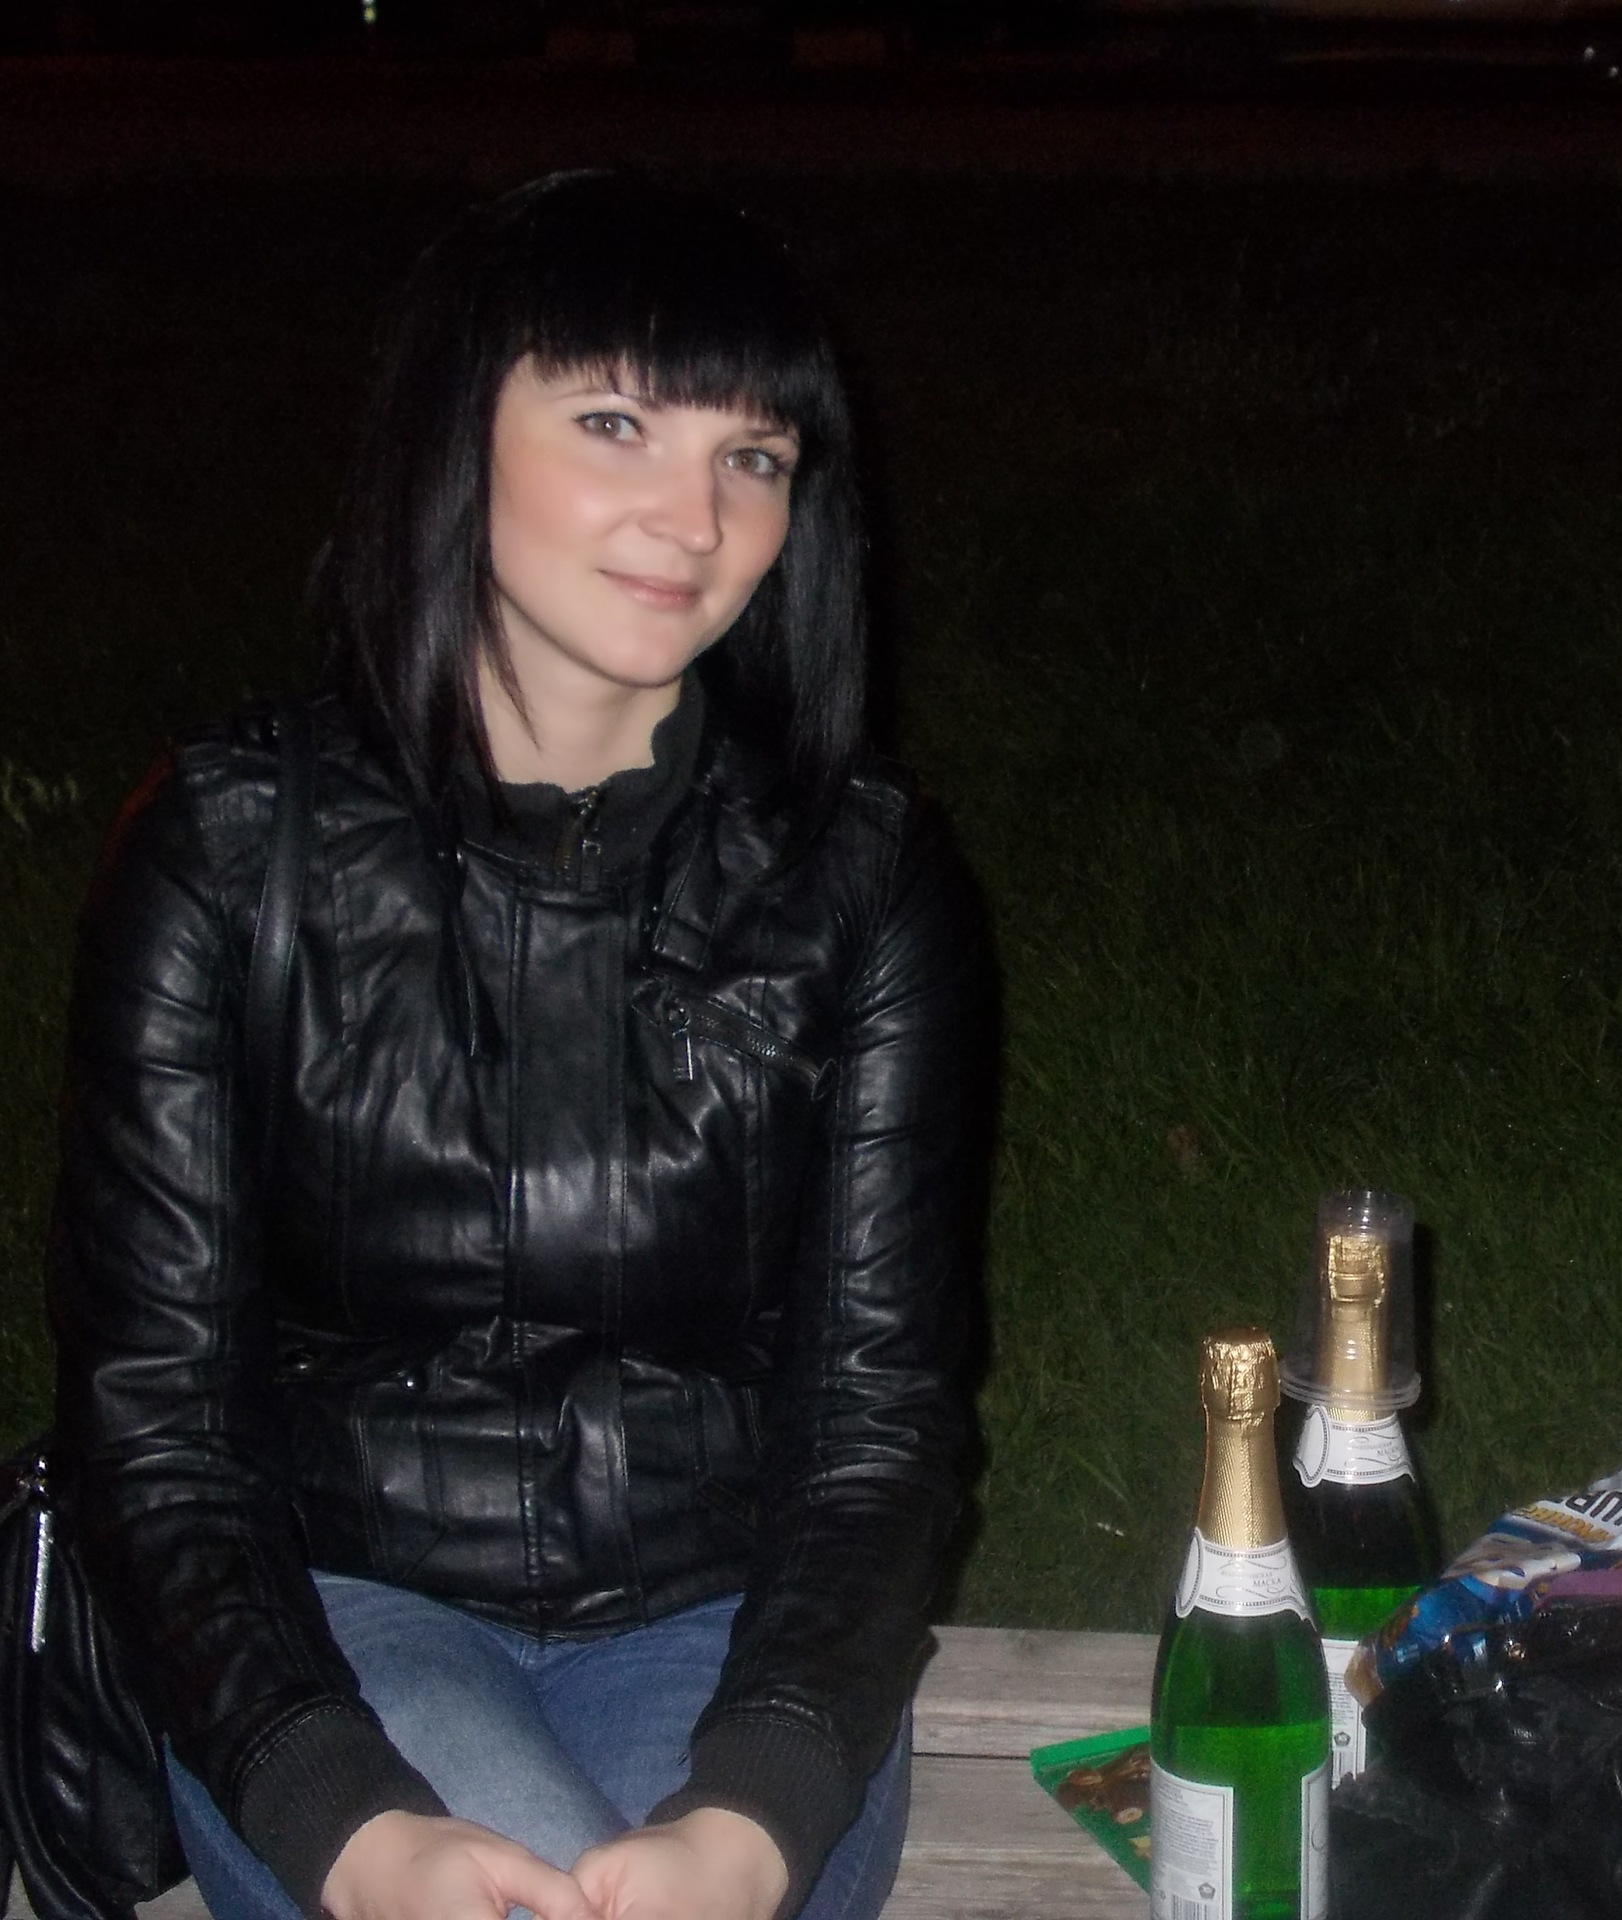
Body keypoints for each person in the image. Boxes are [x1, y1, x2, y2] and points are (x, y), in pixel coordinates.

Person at [46, 171, 991, 1920]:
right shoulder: (228, 851)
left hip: (734, 1630)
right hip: (328, 1621)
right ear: (453, 435)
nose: (694, 517)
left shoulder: (859, 881)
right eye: (616, 422)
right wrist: (342, 1818)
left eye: (753, 455)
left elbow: (879, 1424)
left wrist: (756, 1810)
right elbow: (155, 1419)